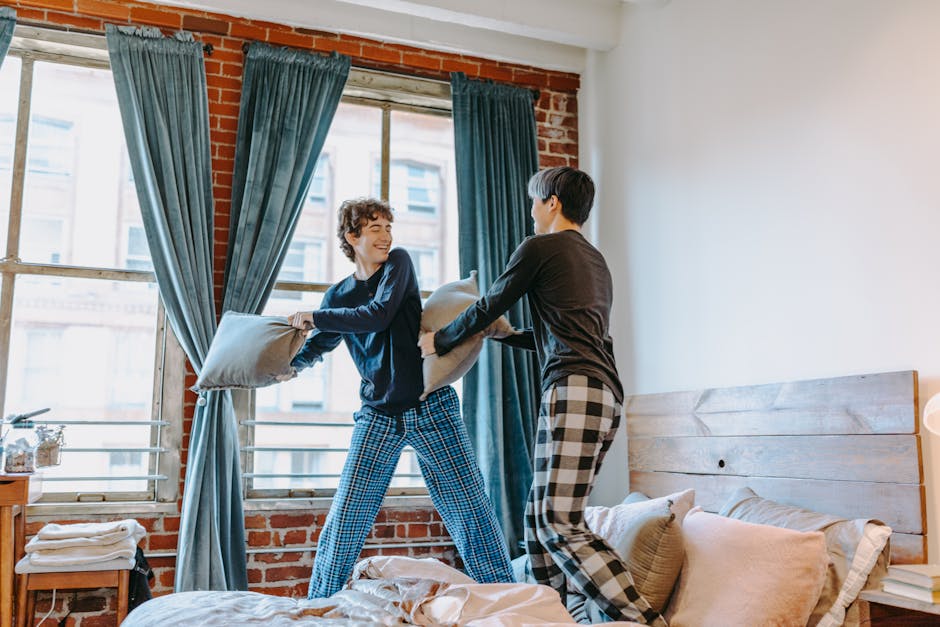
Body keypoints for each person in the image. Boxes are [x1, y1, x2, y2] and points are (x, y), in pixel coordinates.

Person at [418, 167, 665, 626]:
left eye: (534, 201)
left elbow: (490, 302)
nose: (531, 211)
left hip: (576, 390)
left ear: (552, 202)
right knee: (537, 521)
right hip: (596, 393)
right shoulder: (595, 261)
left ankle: (645, 620)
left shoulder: (540, 247)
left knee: (557, 523)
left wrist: (442, 340)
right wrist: (505, 338)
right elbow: (563, 335)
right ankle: (558, 618)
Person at [287, 197, 513, 599]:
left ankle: (509, 600)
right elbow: (319, 345)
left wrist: (315, 316)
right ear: (352, 236)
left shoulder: (399, 264)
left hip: (431, 407)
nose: (386, 236)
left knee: (471, 511)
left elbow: (379, 313)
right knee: (347, 518)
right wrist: (286, 366)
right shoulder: (337, 296)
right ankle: (317, 607)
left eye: (389, 227)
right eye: (375, 228)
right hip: (377, 416)